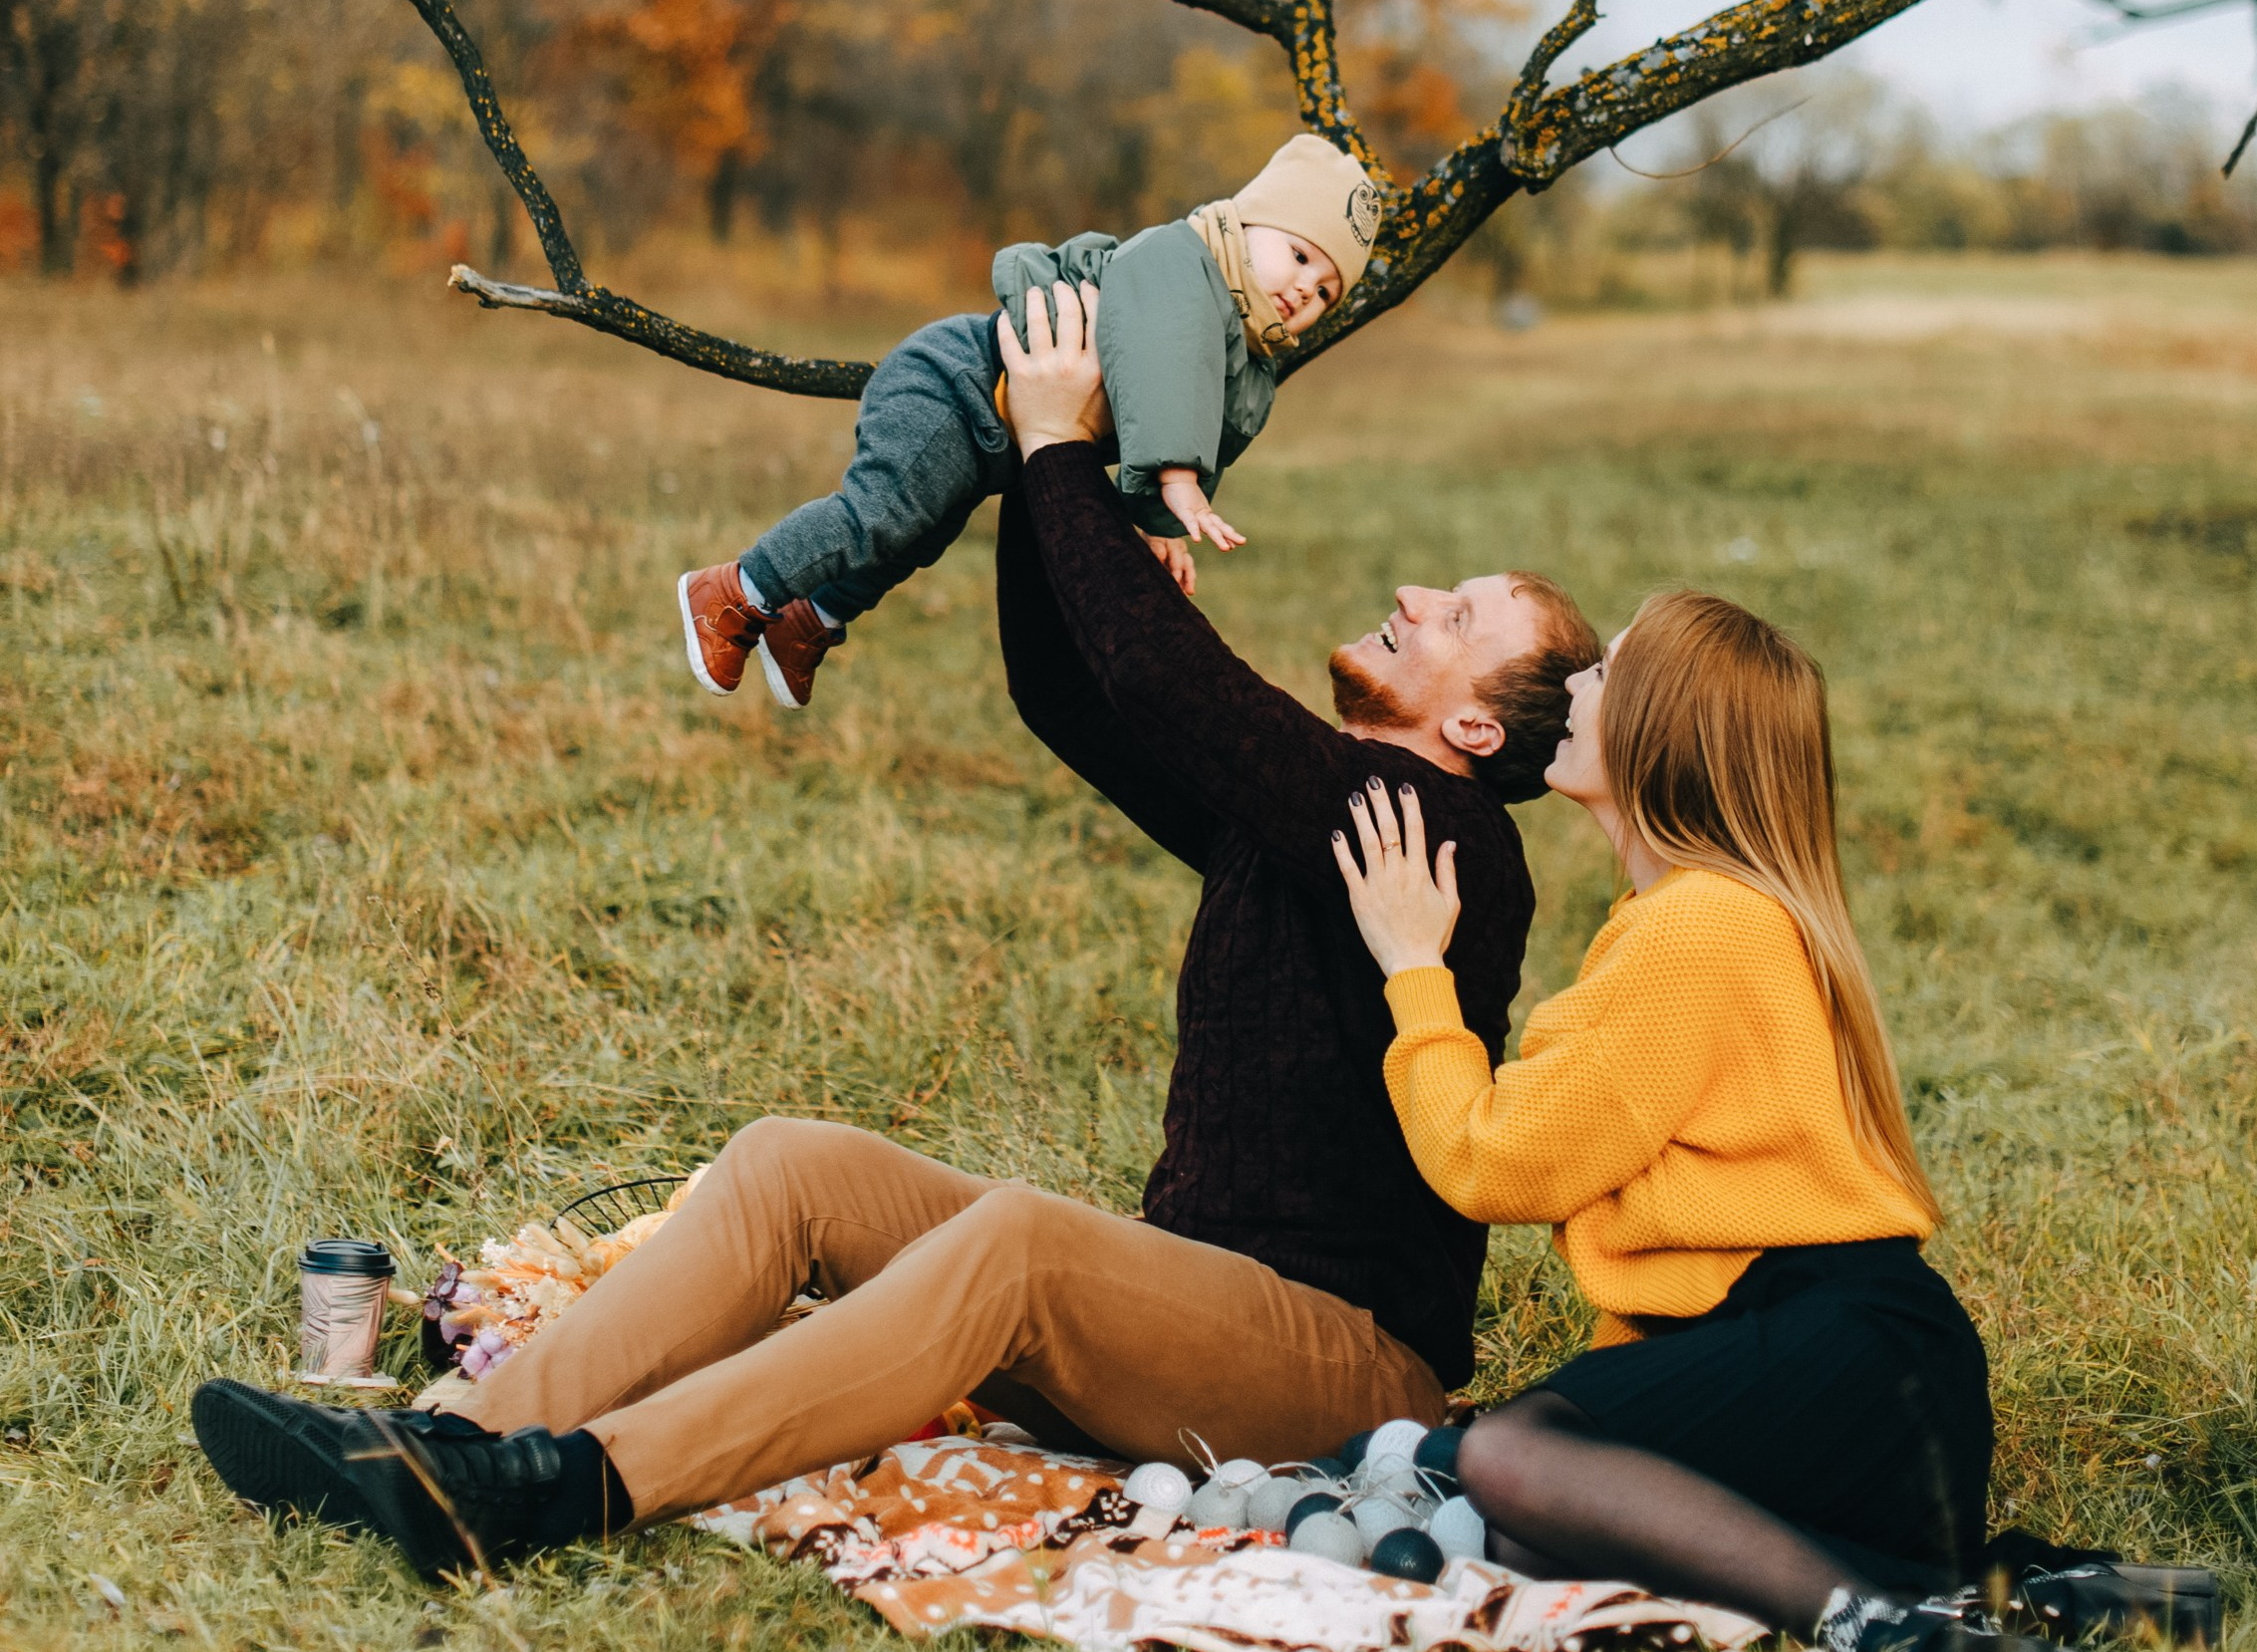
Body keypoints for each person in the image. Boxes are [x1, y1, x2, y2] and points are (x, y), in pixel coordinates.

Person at [188, 284, 1601, 1582]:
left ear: (1475, 726)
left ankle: (564, 1490)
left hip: (1338, 1371)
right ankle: (454, 1441)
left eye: (1460, 613)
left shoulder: (1445, 841)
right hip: (1192, 1318)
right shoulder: (1316, 818)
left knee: (1022, 1247)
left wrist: (1065, 463)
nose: (1419, 596)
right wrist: (1013, 458)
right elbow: (1077, 689)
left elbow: (1167, 681)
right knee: (793, 1169)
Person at [1329, 592, 2209, 1652]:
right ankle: (2035, 1590)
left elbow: (1492, 1162)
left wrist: (1415, 966)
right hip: (1837, 1361)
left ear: (1658, 730)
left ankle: (1896, 1641)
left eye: (1607, 674)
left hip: (1832, 1344)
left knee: (1509, 1459)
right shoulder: (1697, 916)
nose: (1579, 684)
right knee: (1523, 1527)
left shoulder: (1699, 927)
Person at [677, 131, 1380, 710]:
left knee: (918, 535)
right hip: (960, 381)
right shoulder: (1182, 262)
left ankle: (811, 619)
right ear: (1248, 220)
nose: (1303, 290)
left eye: (1326, 291)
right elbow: (1156, 361)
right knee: (881, 513)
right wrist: (1177, 479)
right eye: (1298, 255)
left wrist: (1155, 523)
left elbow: (1153, 411)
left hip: (998, 436)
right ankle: (737, 590)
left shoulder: (1243, 356)